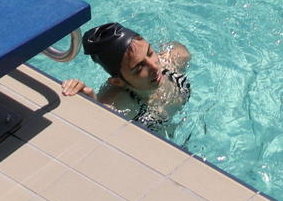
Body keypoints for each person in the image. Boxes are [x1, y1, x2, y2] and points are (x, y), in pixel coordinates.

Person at [61, 21, 189, 128]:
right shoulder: (118, 101)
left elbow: (179, 49)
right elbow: (100, 122)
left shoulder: (173, 59)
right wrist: (91, 104)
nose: (155, 66)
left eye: (150, 52)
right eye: (139, 67)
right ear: (118, 82)